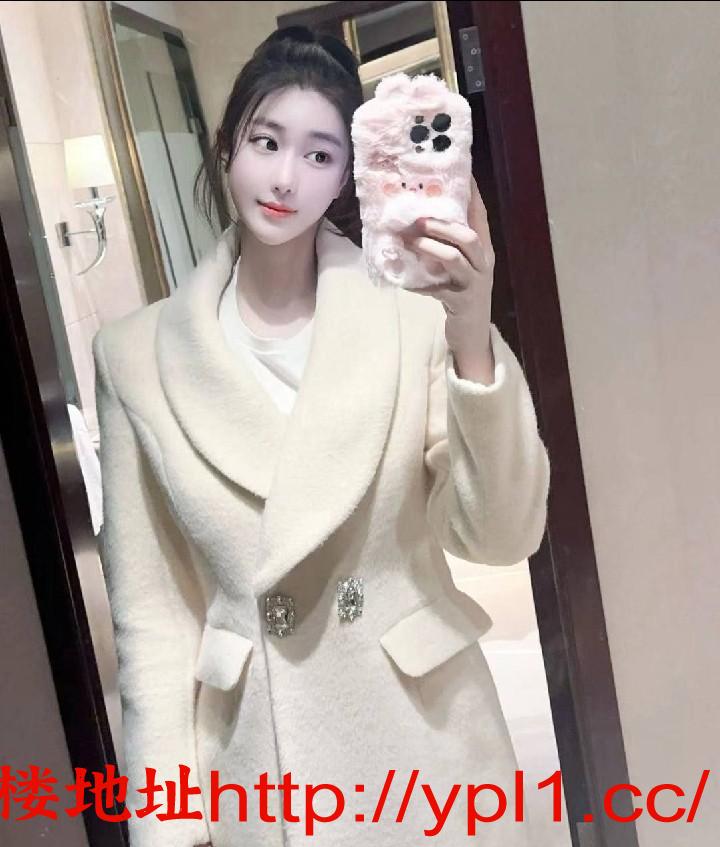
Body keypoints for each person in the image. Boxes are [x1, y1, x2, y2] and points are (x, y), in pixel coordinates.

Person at [92, 25, 551, 847]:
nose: (284, 178)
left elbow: (500, 535)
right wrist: (165, 823)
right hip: (263, 764)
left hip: (426, 748)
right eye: (266, 142)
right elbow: (152, 617)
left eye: (318, 154)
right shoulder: (134, 357)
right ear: (226, 145)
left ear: (348, 175)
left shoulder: (413, 319)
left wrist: (472, 330)